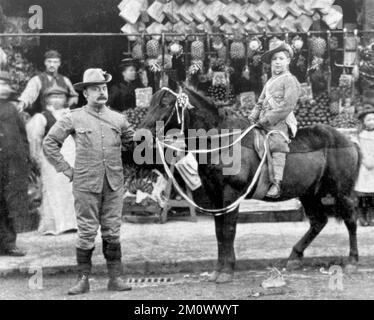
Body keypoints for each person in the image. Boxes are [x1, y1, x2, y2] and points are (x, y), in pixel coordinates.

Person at [43, 68, 134, 295]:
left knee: (112, 232)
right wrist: (66, 169)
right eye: (96, 89)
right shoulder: (74, 117)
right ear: (86, 93)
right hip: (85, 185)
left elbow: (133, 144)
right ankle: (83, 280)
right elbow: (50, 143)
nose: (101, 93)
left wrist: (150, 139)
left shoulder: (118, 119)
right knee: (86, 232)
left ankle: (115, 278)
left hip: (113, 184)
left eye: (103, 88)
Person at [249, 40, 301, 199]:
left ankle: (276, 183)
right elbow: (260, 102)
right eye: (274, 59)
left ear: (288, 61)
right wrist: (252, 117)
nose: (277, 62)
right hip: (263, 120)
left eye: (281, 58)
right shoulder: (270, 81)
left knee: (277, 143)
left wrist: (266, 120)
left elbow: (287, 106)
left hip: (280, 122)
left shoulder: (290, 80)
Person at [26, 84, 77, 235]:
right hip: (51, 158)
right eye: (53, 97)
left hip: (71, 155)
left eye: (60, 97)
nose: (57, 100)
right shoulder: (42, 117)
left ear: (66, 99)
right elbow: (34, 138)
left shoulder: (71, 116)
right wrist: (36, 157)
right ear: (46, 99)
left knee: (71, 189)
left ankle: (72, 223)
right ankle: (54, 225)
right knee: (53, 189)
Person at [0, 71, 30, 256]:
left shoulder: (12, 109)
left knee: (9, 203)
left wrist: (25, 156)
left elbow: (22, 136)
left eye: (5, 84)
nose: (4, 87)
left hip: (11, 164)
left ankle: (9, 243)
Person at [17, 50, 78, 115]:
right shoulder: (37, 80)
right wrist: (22, 104)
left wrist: (67, 106)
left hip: (62, 116)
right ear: (45, 62)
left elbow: (74, 96)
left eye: (55, 62)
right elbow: (28, 95)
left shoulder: (65, 80)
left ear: (59, 63)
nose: (52, 65)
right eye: (49, 62)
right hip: (45, 117)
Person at [354, 105, 374, 226]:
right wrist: (364, 161)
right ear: (364, 122)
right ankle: (362, 215)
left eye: (373, 119)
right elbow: (358, 149)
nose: (372, 122)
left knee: (372, 194)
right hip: (363, 166)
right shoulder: (359, 136)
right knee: (362, 195)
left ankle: (371, 216)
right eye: (368, 120)